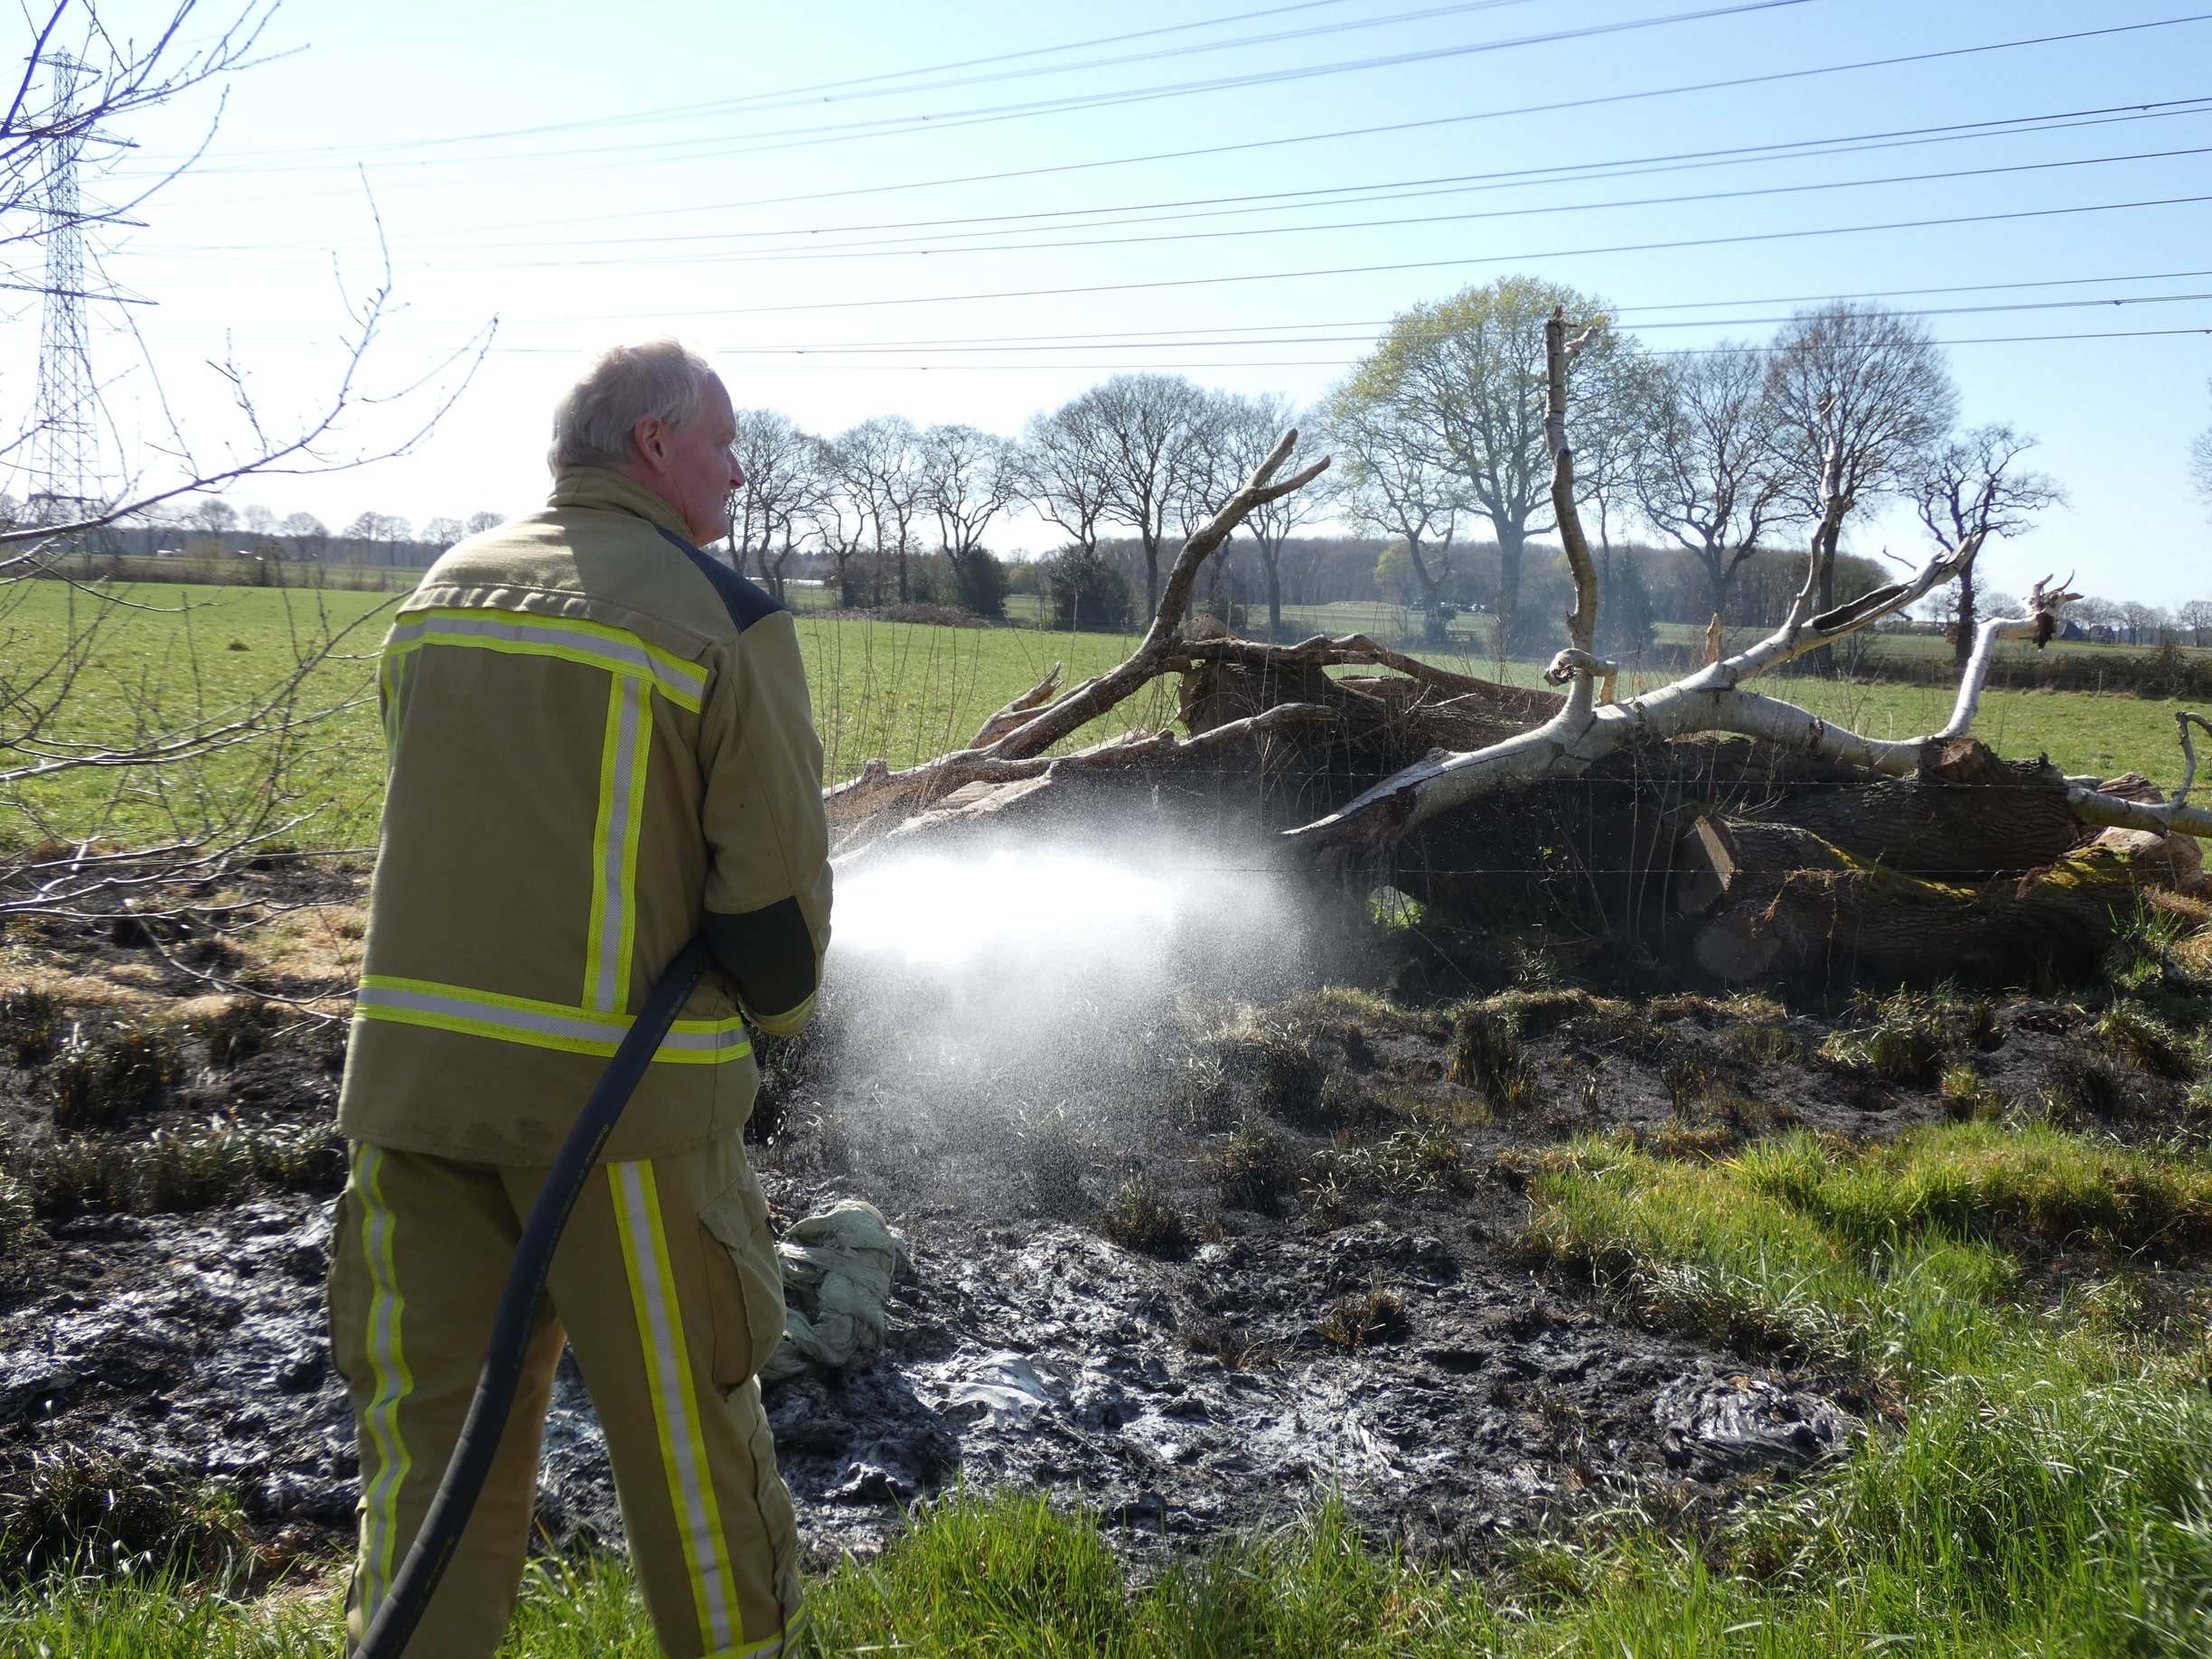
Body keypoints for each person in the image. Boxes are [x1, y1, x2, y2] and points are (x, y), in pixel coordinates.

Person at [329, 340, 830, 1659]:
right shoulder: (722, 615)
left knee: (427, 1477)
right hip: (624, 1129)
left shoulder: (440, 592)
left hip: (412, 1111)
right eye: (724, 441)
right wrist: (784, 1018)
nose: (739, 470)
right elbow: (774, 920)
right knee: (696, 1468)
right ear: (654, 444)